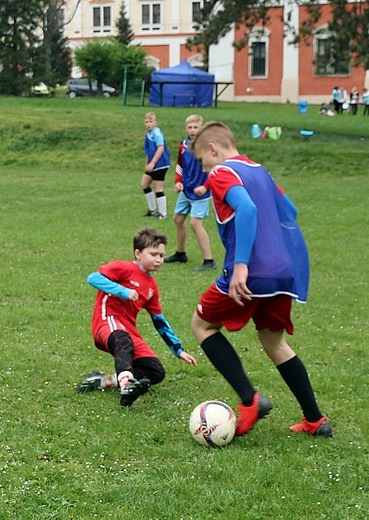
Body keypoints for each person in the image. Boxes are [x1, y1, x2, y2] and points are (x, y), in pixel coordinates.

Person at [189, 121, 332, 438]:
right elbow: (290, 209)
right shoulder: (259, 170)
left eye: (202, 160)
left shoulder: (222, 172)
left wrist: (242, 265)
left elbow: (247, 208)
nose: (203, 168)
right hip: (282, 272)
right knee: (274, 341)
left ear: (213, 149)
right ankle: (315, 420)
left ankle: (249, 401)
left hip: (251, 272)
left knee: (202, 325)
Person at [76, 227, 197, 406]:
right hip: (107, 320)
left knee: (156, 372)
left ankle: (103, 381)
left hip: (128, 331)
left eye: (161, 256)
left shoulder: (151, 287)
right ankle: (127, 387)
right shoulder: (123, 268)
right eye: (153, 254)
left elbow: (159, 320)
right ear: (138, 253)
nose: (158, 259)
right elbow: (93, 278)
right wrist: (123, 291)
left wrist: (178, 350)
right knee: (123, 339)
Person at [164, 114, 217, 272]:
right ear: (186, 128)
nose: (193, 130)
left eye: (196, 127)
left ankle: (209, 260)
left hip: (201, 192)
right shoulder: (183, 145)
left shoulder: (207, 146)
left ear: (202, 128)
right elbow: (180, 165)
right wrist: (178, 181)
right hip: (186, 190)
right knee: (178, 219)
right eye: (190, 127)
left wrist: (206, 187)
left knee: (195, 223)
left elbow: (214, 169)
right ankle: (180, 254)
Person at [141, 112, 170, 219]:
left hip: (160, 164)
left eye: (151, 121)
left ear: (156, 122)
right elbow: (149, 151)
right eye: (147, 122)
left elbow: (160, 148)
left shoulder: (157, 133)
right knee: (144, 183)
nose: (149, 124)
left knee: (158, 187)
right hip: (153, 164)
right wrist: (147, 163)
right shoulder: (149, 133)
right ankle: (152, 210)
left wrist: (153, 163)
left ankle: (163, 213)